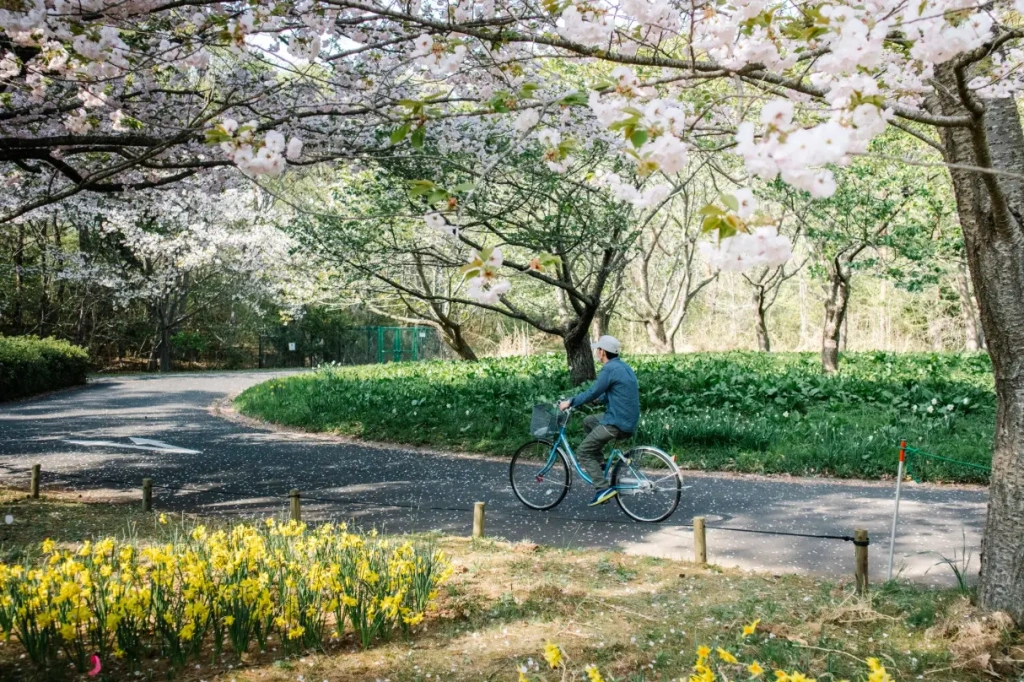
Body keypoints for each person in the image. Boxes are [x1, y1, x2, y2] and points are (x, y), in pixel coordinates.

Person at [558, 335, 640, 506]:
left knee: (583, 452)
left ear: (602, 352)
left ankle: (602, 489)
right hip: (626, 419)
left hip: (616, 422)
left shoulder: (608, 369)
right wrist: (600, 398)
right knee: (589, 421)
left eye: (597, 349)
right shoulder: (623, 367)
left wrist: (571, 402)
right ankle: (600, 463)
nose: (596, 352)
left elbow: (592, 392)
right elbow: (617, 392)